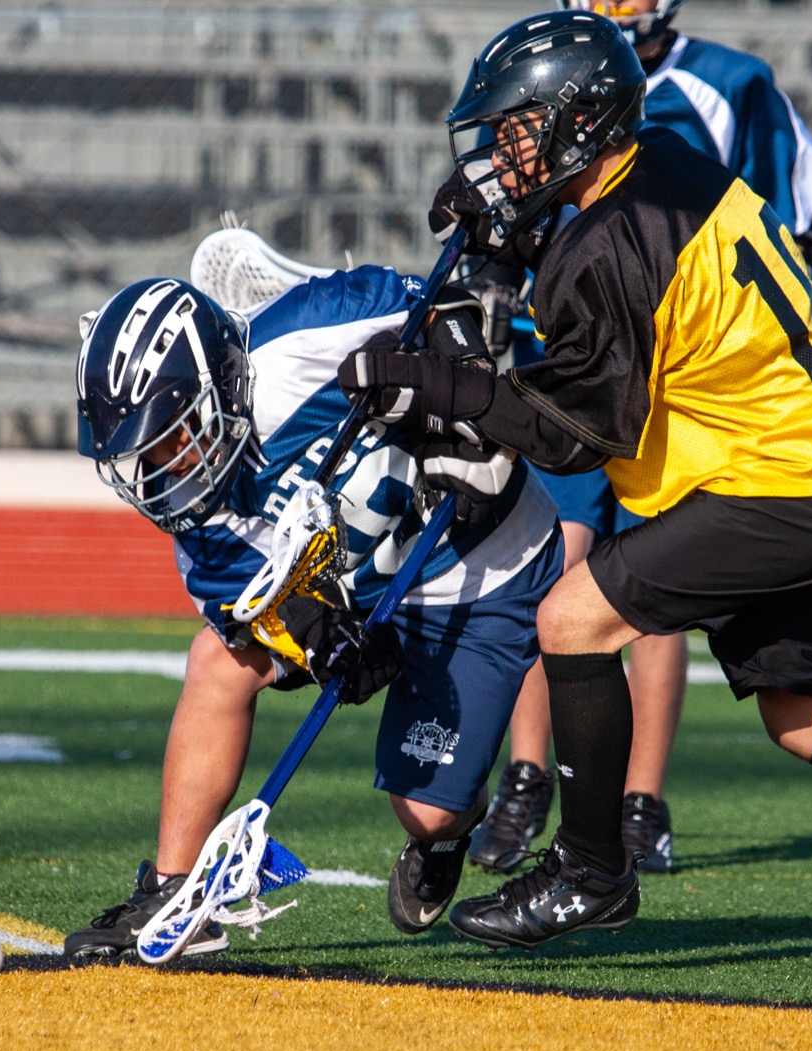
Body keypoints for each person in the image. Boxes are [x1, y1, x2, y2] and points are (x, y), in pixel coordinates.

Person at [337, 10, 812, 977]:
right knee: (804, 715)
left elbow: (577, 435)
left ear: (580, 123)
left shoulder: (607, 244)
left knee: (572, 621)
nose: (503, 149)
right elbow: (632, 267)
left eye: (521, 127)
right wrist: (517, 236)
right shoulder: (660, 159)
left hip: (789, 480)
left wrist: (443, 387)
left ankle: (591, 870)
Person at [63, 266, 561, 959]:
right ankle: (172, 890)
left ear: (217, 385)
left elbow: (444, 303)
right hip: (357, 583)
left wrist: (468, 410)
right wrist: (323, 641)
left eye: (172, 438)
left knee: (428, 811)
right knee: (217, 661)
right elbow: (258, 610)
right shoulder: (199, 518)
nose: (164, 469)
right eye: (144, 453)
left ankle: (447, 836)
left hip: (476, 565)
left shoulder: (303, 338)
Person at [469, 0, 812, 878]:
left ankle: (639, 801)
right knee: (553, 570)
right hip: (562, 358)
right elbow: (508, 199)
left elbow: (785, 228)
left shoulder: (731, 84)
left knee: (647, 590)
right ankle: (527, 778)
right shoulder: (543, 68)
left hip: (681, 381)